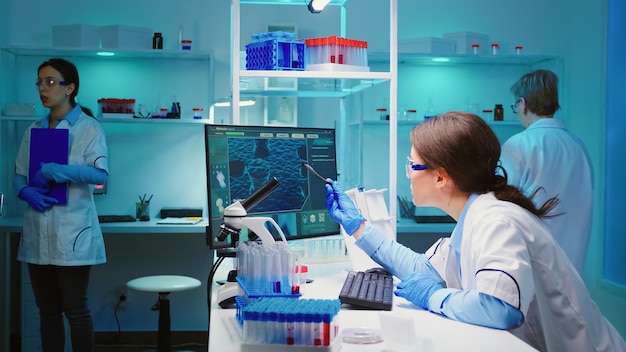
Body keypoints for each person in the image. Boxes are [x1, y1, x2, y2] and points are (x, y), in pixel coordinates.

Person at [325, 111, 625, 352]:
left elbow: (501, 308)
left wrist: (434, 297)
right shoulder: (475, 215)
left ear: (441, 176)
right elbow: (423, 268)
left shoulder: (497, 220)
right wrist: (358, 227)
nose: (408, 174)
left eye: (411, 165)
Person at [13, 58, 108, 352]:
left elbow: (100, 174)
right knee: (47, 313)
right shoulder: (34, 130)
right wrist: (25, 192)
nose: (43, 88)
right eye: (40, 82)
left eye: (51, 82)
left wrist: (60, 170)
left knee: (75, 312)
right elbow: (19, 174)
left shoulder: (89, 128)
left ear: (70, 88)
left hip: (72, 234)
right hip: (38, 231)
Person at [500, 69, 593, 274]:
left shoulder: (518, 145)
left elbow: (499, 205)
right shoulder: (579, 147)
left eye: (516, 105)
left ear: (523, 104)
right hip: (573, 266)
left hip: (532, 265)